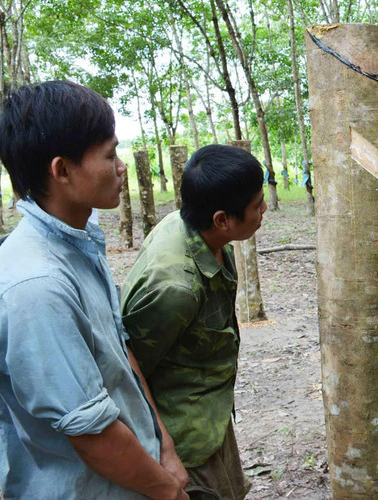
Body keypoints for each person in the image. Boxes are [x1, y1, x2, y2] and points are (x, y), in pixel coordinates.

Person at [0, 81, 188, 499]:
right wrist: (170, 493)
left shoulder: (79, 243)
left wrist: (163, 445)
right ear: (62, 171)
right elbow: (92, 434)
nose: (121, 167)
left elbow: (118, 352)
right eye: (109, 155)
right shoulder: (39, 286)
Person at [122, 144, 266, 499]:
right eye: (257, 204)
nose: (264, 210)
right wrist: (165, 448)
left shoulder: (203, 233)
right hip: (183, 438)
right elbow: (127, 367)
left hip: (208, 416)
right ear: (222, 219)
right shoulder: (176, 286)